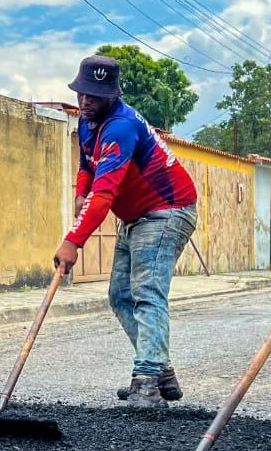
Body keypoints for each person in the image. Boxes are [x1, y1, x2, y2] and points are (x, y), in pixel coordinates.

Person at [52, 55, 198, 409]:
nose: (85, 101)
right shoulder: (87, 122)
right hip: (136, 216)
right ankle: (160, 373)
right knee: (120, 295)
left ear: (112, 96)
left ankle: (146, 381)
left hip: (167, 211)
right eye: (82, 93)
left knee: (147, 293)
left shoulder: (120, 126)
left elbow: (105, 195)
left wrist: (73, 241)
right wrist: (78, 191)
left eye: (94, 96)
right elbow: (88, 164)